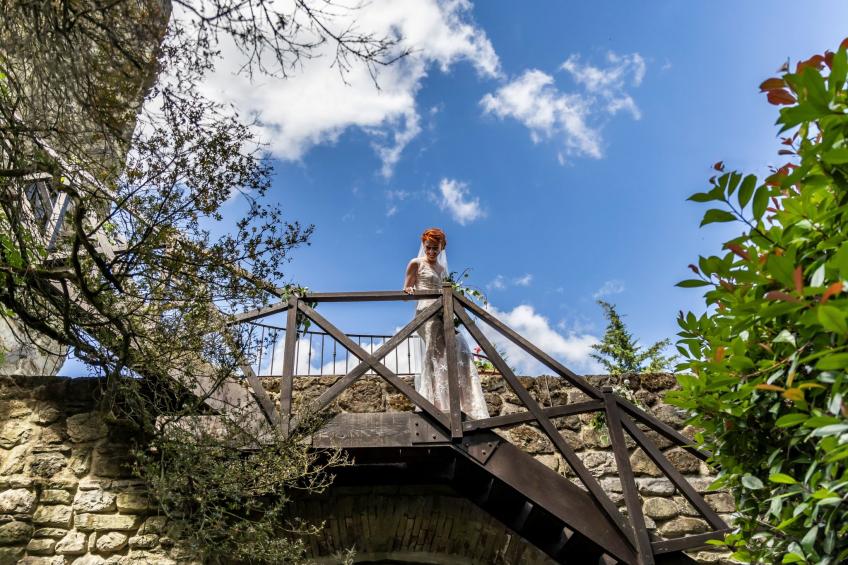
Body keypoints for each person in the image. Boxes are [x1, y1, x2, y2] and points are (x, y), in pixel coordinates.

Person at [403, 228, 489, 420]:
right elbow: (406, 291)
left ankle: (452, 398)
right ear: (424, 246)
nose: (432, 252)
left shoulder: (442, 270)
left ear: (441, 249)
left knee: (458, 344)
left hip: (442, 312)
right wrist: (409, 290)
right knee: (432, 352)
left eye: (436, 249)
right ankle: (430, 400)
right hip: (425, 312)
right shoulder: (416, 263)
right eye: (429, 248)